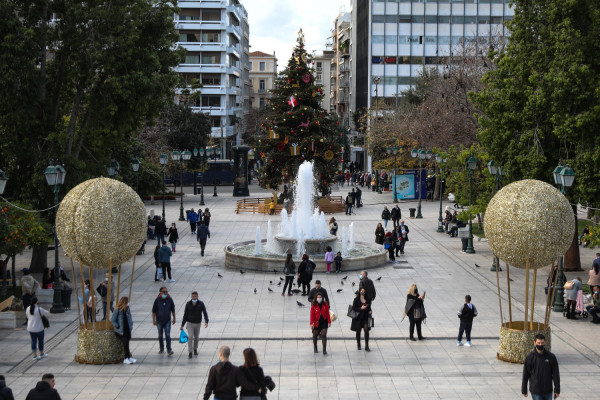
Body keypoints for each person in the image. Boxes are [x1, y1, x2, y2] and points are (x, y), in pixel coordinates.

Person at [521, 333, 560, 399]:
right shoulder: (530, 357)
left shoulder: (551, 357)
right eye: (538, 343)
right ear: (534, 343)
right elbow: (526, 374)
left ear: (545, 342)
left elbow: (556, 374)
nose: (540, 345)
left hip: (548, 390)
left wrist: (557, 389)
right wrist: (524, 389)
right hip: (536, 391)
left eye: (542, 343)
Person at [181, 291, 209, 359]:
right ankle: (190, 351)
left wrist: (206, 321)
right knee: (190, 337)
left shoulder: (201, 303)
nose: (194, 297)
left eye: (195, 296)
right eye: (193, 296)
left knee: (196, 337)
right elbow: (185, 314)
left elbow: (205, 312)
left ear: (197, 296)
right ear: (191, 297)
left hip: (197, 323)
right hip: (190, 323)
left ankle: (195, 349)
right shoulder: (188, 304)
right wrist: (182, 324)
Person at [152, 287, 176, 356]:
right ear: (160, 292)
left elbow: (173, 310)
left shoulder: (169, 299)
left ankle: (169, 349)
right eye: (163, 292)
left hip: (167, 320)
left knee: (168, 335)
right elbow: (153, 311)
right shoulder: (157, 300)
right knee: (160, 335)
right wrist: (154, 320)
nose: (165, 293)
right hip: (159, 321)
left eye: (166, 292)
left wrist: (174, 318)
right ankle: (161, 348)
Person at [111, 296, 135, 364]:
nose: (128, 303)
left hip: (127, 329)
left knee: (127, 344)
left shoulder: (127, 309)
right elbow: (113, 320)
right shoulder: (118, 310)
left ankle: (129, 357)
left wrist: (131, 325)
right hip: (121, 330)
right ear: (124, 302)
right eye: (127, 302)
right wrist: (117, 326)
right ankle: (126, 358)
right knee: (125, 344)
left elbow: (130, 317)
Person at [351, 287, 372, 351]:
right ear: (360, 291)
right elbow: (354, 308)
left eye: (364, 291)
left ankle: (367, 346)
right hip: (358, 317)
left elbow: (369, 307)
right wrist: (360, 308)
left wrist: (370, 310)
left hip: (365, 317)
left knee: (366, 330)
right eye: (361, 291)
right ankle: (359, 344)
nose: (362, 292)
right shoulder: (356, 299)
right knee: (358, 331)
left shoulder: (367, 299)